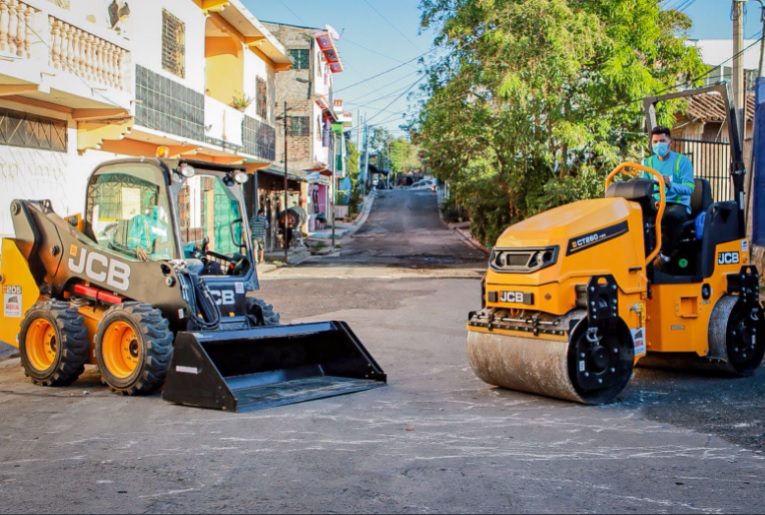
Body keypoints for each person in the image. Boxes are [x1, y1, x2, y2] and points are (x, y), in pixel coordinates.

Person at [641, 126, 695, 266]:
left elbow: (689, 188)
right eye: (655, 141)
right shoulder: (647, 163)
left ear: (670, 142)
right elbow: (643, 185)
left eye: (662, 141)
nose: (659, 145)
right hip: (656, 203)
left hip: (676, 204)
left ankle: (664, 257)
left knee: (671, 216)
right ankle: (643, 256)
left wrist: (671, 185)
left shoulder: (681, 162)